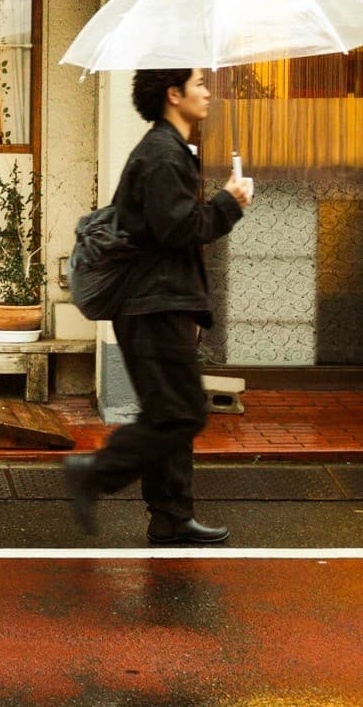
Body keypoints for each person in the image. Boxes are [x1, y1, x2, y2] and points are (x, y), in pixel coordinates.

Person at [65, 67, 252, 546]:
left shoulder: (169, 150)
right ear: (174, 94)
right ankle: (97, 471)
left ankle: (171, 516)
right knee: (181, 411)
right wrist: (229, 203)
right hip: (152, 303)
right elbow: (178, 230)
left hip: (161, 300)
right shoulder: (162, 154)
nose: (208, 93)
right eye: (199, 84)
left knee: (170, 410)